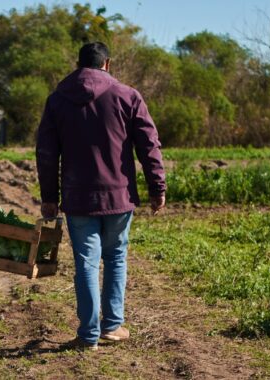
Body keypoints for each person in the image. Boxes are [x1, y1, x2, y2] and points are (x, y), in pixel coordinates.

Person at [36, 42, 166, 351]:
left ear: (78, 65)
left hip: (77, 197)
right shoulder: (128, 96)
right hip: (119, 196)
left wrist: (49, 197)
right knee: (116, 256)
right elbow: (149, 146)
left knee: (86, 262)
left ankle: (88, 334)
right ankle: (111, 326)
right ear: (107, 64)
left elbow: (46, 153)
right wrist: (157, 187)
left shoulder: (57, 100)